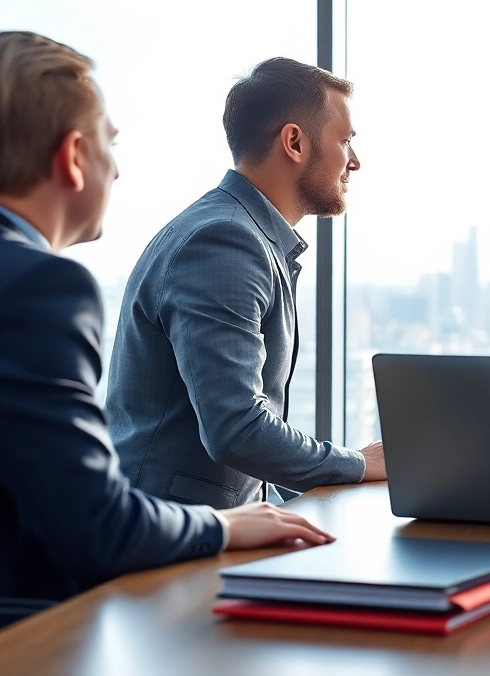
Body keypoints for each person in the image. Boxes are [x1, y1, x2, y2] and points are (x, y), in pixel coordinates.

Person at [0, 32, 333, 628]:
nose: (119, 168)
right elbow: (96, 527)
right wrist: (227, 523)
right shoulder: (37, 288)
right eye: (111, 144)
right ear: (74, 157)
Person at [107, 58, 384, 510]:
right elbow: (236, 429)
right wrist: (359, 463)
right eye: (346, 140)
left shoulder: (244, 234)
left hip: (209, 528)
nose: (355, 161)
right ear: (294, 141)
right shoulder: (226, 241)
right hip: (167, 548)